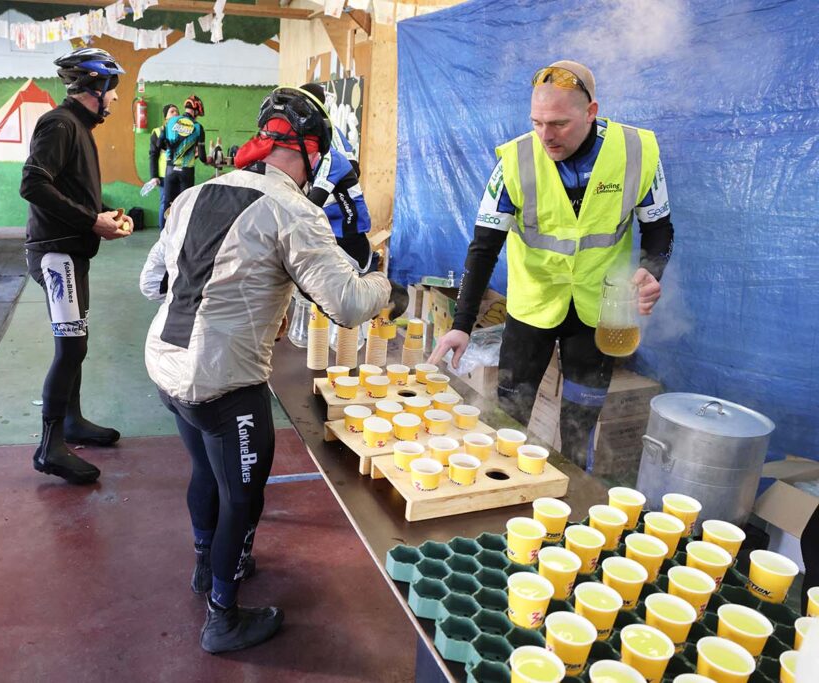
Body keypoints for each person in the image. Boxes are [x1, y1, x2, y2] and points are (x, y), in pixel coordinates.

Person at [144, 86, 407, 653]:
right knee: (242, 495)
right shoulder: (294, 209)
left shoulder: (196, 193)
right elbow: (347, 303)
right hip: (222, 380)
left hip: (165, 364)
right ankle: (222, 617)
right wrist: (392, 290)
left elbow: (151, 283)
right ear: (310, 152)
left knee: (204, 472)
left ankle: (203, 566)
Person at [429, 61, 674, 469]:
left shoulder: (637, 152)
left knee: (580, 425)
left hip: (598, 312)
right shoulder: (515, 160)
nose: (546, 136)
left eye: (559, 123)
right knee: (508, 418)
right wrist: (462, 324)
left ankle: (571, 509)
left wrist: (653, 269)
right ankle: (503, 491)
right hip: (532, 308)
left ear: (591, 111)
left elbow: (660, 229)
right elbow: (484, 246)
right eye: (537, 122)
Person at [20, 47, 133, 485]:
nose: (116, 100)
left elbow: (73, 190)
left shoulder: (78, 128)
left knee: (76, 342)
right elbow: (32, 183)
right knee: (71, 347)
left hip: (70, 252)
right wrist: (91, 221)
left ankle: (73, 422)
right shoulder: (59, 123)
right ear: (96, 88)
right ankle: (50, 448)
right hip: (56, 253)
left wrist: (103, 214)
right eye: (113, 90)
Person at [299, 83, 373, 271]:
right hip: (331, 225)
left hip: (343, 233)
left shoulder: (328, 145)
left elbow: (308, 208)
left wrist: (332, 183)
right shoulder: (330, 133)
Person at [160, 95, 208, 224]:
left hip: (170, 170)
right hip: (186, 171)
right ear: (196, 111)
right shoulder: (198, 127)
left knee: (167, 204)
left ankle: (164, 235)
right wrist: (204, 159)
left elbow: (160, 145)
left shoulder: (170, 122)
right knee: (184, 206)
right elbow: (203, 157)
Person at [146, 103, 180, 230]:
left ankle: (174, 233)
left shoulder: (183, 133)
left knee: (178, 204)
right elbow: (153, 155)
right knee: (165, 203)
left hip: (179, 173)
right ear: (165, 117)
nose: (175, 113)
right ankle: (163, 234)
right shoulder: (157, 132)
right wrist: (154, 176)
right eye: (172, 111)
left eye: (177, 111)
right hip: (163, 175)